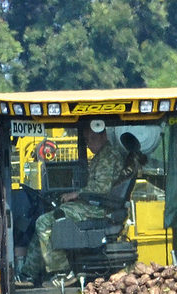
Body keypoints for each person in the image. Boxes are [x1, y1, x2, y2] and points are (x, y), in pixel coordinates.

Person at [17, 119, 137, 284]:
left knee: (45, 222)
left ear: (101, 134)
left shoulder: (108, 157)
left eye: (89, 140)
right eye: (86, 141)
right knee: (50, 218)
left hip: (100, 209)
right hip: (96, 206)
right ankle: (28, 275)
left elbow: (100, 189)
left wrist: (76, 194)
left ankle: (62, 272)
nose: (88, 145)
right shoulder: (103, 155)